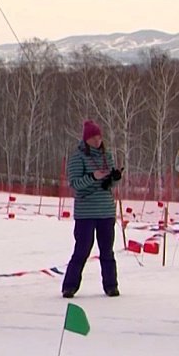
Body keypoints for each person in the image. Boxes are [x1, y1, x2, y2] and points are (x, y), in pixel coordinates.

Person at [61, 119, 121, 298]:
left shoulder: (107, 156)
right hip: (86, 212)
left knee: (107, 251)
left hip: (106, 211)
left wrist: (114, 178)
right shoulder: (77, 158)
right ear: (86, 139)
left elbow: (109, 183)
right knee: (82, 249)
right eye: (93, 138)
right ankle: (70, 286)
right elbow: (76, 184)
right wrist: (93, 177)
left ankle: (111, 285)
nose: (97, 141)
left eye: (99, 137)